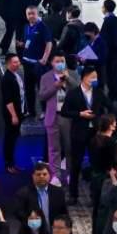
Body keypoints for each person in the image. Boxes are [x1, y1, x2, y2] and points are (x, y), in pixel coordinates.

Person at [62, 66, 109, 202]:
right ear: (84, 77)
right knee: (76, 164)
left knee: (96, 163)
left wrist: (103, 121)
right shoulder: (73, 93)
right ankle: (73, 194)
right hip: (79, 133)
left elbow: (109, 106)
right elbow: (65, 111)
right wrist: (80, 114)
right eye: (92, 77)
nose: (94, 80)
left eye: (96, 77)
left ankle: (95, 195)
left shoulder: (99, 93)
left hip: (95, 133)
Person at [39, 53, 78, 188]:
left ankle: (69, 173)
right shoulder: (45, 77)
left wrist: (68, 79)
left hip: (68, 117)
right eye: (57, 61)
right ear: (52, 63)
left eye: (62, 60)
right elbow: (42, 96)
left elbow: (79, 90)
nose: (60, 63)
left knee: (69, 147)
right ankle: (55, 175)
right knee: (53, 148)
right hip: (53, 116)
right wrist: (55, 85)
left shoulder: (72, 74)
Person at [18, 6, 52, 118]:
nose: (31, 16)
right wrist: (22, 45)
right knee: (28, 88)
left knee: (41, 88)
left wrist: (45, 58)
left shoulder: (43, 27)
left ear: (37, 14)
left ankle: (44, 111)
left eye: (33, 13)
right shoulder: (26, 27)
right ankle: (31, 111)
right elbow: (28, 41)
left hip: (38, 64)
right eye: (29, 14)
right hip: (27, 62)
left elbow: (49, 43)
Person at [1, 54, 26, 173]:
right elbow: (8, 100)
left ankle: (12, 163)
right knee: (10, 139)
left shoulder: (15, 75)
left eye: (18, 61)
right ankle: (9, 164)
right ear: (8, 64)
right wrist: (14, 115)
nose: (18, 64)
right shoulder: (7, 79)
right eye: (15, 62)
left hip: (19, 111)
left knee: (13, 138)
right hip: (12, 114)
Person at [100, 0, 117, 97]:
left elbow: (104, 38)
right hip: (116, 51)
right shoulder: (116, 19)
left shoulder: (108, 20)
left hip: (110, 51)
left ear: (105, 8)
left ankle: (112, 93)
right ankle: (114, 92)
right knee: (114, 72)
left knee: (109, 72)